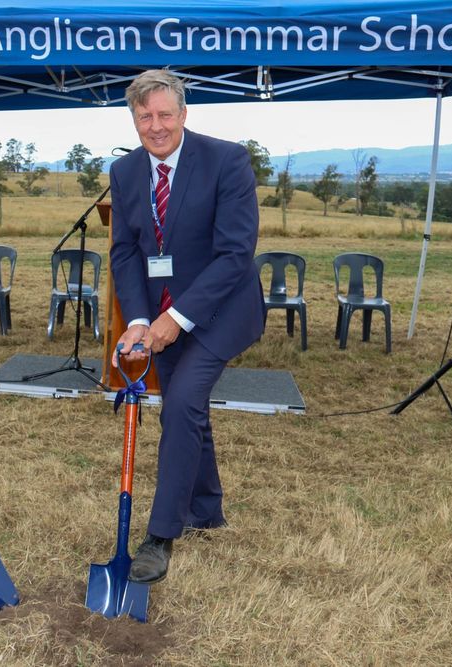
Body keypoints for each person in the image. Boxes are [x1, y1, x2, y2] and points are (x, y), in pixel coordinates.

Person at [109, 70, 265, 584]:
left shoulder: (226, 160)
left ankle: (160, 534)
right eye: (144, 116)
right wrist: (138, 318)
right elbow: (127, 250)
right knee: (185, 411)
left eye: (164, 115)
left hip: (220, 313)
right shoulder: (125, 171)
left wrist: (174, 319)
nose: (155, 126)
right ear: (134, 118)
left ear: (183, 114)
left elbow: (235, 253)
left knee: (178, 406)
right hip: (158, 316)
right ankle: (206, 507)